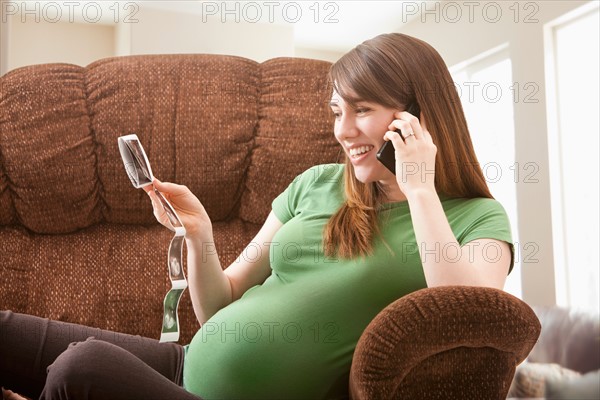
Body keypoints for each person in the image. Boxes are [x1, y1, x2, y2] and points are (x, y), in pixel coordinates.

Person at [0, 32, 513, 400]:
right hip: (183, 366)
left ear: (416, 117)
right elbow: (219, 304)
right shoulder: (316, 183)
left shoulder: (477, 218)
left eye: (362, 110)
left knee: (82, 368)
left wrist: (419, 187)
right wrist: (199, 231)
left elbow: (468, 318)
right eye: (337, 110)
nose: (343, 131)